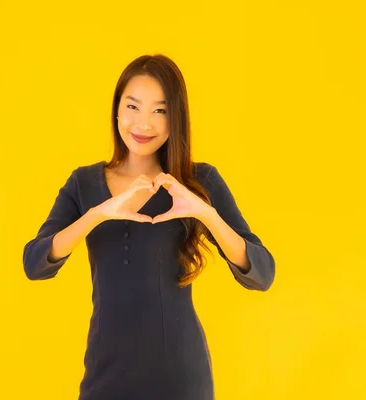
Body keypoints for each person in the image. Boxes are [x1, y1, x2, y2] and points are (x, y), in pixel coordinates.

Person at [22, 54, 276, 400]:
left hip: (181, 380)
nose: (144, 123)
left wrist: (207, 214)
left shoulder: (199, 180)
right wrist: (98, 213)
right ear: (116, 111)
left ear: (176, 119)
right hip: (105, 375)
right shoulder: (84, 183)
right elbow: (34, 264)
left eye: (160, 110)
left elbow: (262, 273)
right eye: (133, 106)